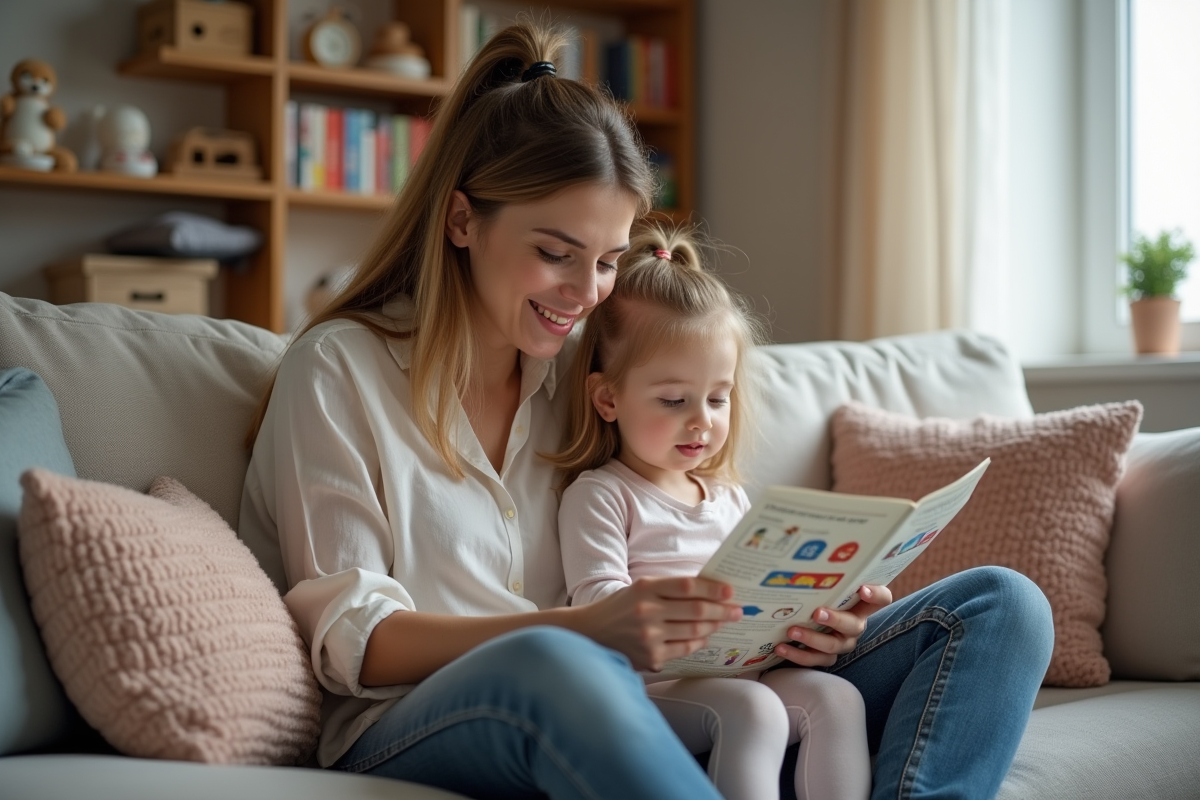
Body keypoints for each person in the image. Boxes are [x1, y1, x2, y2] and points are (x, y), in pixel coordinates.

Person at [238, 18, 1055, 800]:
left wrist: (809, 618)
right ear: (461, 219)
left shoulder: (589, 376)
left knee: (998, 606)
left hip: (634, 689)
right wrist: (585, 629)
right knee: (557, 661)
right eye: (555, 254)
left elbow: (694, 531)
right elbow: (356, 642)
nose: (585, 292)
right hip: (413, 719)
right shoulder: (339, 371)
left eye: (605, 261)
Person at [552, 222, 870, 800]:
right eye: (674, 401)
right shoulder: (602, 494)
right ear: (608, 398)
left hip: (738, 667)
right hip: (649, 688)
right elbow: (596, 607)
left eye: (718, 398)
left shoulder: (730, 498)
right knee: (752, 708)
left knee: (837, 697)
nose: (702, 420)